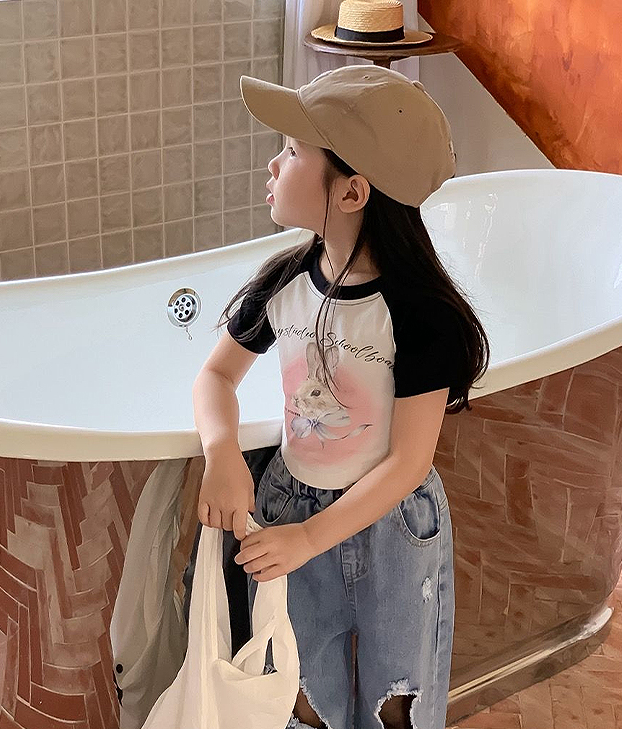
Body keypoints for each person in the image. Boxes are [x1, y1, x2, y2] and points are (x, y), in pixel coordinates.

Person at [186, 65, 491, 729]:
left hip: (392, 525)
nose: (274, 164)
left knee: (400, 700)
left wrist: (310, 537)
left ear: (352, 191)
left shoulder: (419, 315)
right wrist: (222, 452)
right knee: (298, 695)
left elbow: (407, 462)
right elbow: (215, 377)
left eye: (294, 152)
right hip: (290, 504)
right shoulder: (285, 283)